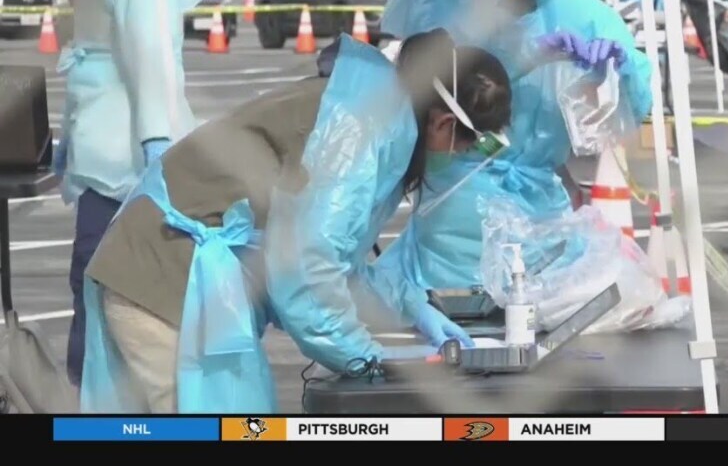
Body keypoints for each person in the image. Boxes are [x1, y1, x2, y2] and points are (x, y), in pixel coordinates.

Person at [80, 30, 515, 413]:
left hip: (176, 277)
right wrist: (363, 357)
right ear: (443, 122)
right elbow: (308, 269)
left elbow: (337, 263)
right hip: (166, 279)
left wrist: (412, 307)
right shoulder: (359, 128)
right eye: (474, 146)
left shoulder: (375, 113)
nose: (465, 157)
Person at [371, 0, 652, 322]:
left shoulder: (585, 14)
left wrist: (620, 72)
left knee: (554, 320)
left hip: (541, 212)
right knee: (461, 320)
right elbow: (408, 85)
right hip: (455, 202)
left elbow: (637, 105)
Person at [52, 0, 213, 388]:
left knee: (103, 284)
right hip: (110, 150)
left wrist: (154, 139)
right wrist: (69, 135)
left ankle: (100, 399)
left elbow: (148, 52)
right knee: (106, 286)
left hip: (126, 160)